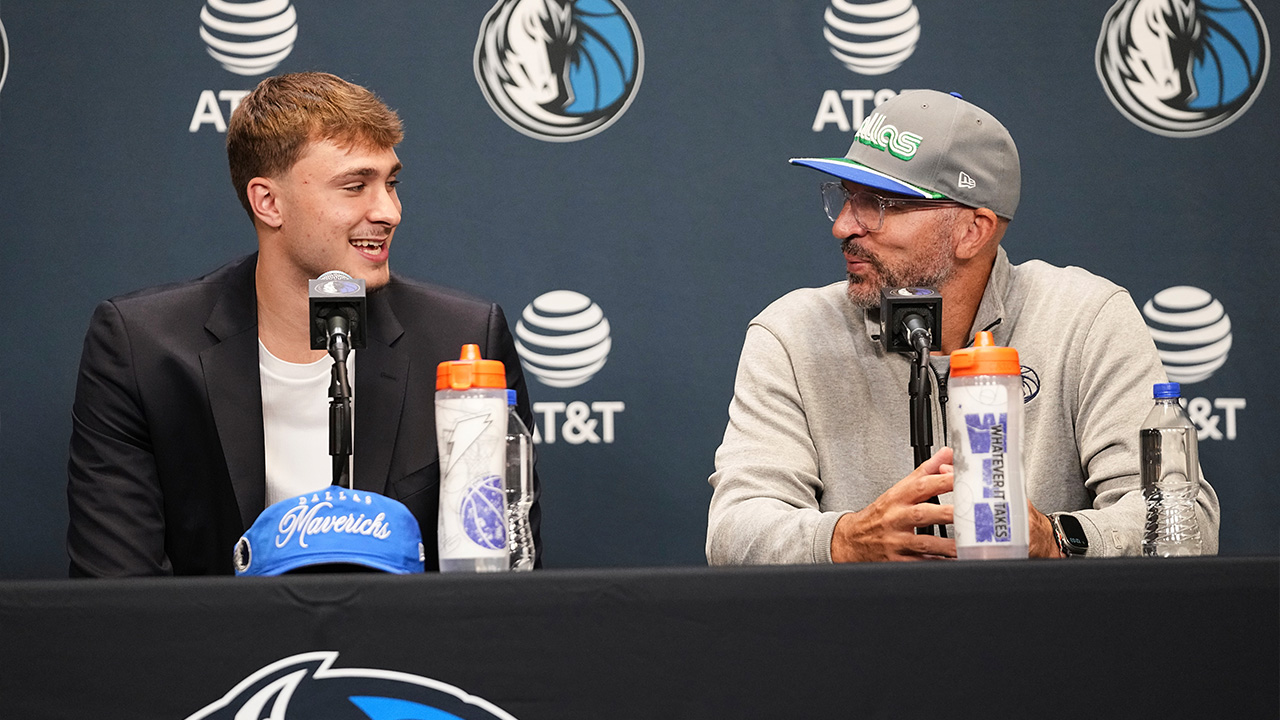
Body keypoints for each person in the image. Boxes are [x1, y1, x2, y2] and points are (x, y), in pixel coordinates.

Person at [706, 90, 1218, 563]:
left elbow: (1184, 518)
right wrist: (844, 539)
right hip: (860, 649)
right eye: (845, 196)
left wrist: (1054, 538)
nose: (843, 225)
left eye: (879, 204)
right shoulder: (792, 334)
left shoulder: (1084, 318)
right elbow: (734, 527)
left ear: (973, 231)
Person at [66, 72, 540, 576]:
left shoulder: (462, 337)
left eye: (392, 183)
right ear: (268, 202)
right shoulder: (145, 348)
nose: (390, 211)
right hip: (221, 650)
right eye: (356, 186)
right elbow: (115, 591)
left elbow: (505, 580)